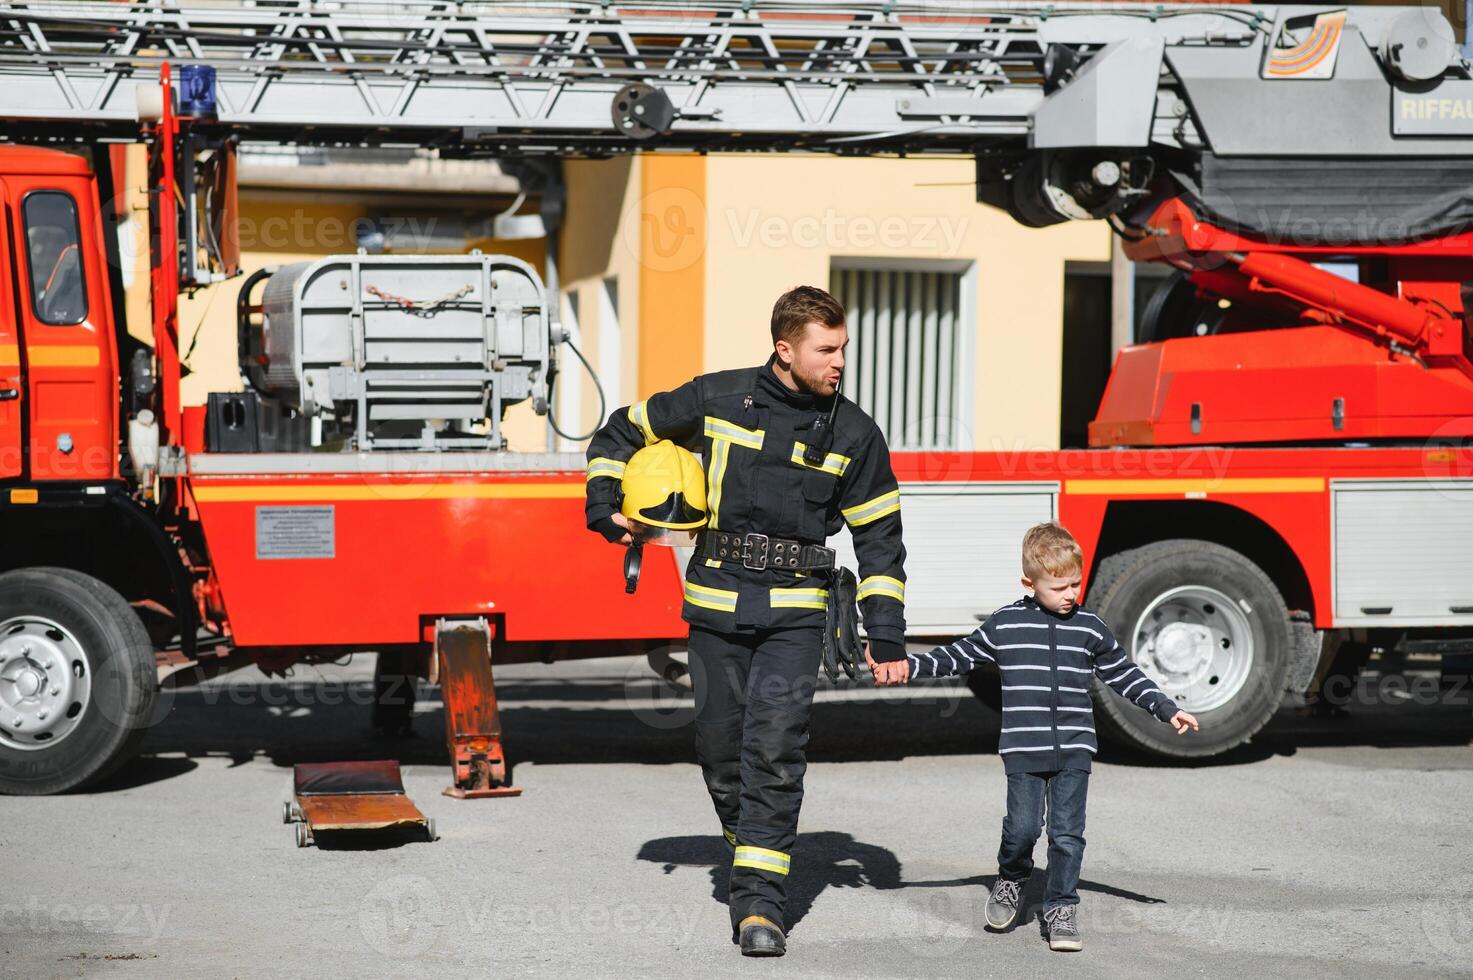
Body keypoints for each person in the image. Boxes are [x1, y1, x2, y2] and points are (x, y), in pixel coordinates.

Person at [584, 285, 909, 956]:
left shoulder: (854, 432)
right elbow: (621, 428)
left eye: (843, 348)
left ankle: (760, 906)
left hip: (795, 616)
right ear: (784, 349)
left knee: (774, 749)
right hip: (713, 608)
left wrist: (885, 634)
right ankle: (750, 846)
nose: (839, 362)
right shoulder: (716, 399)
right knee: (717, 749)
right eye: (826, 350)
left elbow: (881, 539)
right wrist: (603, 501)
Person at [879, 521, 1199, 952]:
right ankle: (1011, 878)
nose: (1070, 594)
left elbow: (1124, 673)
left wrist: (1166, 707)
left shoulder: (1090, 627)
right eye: (1059, 587)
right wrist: (907, 667)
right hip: (1023, 748)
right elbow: (958, 655)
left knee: (1067, 835)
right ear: (1029, 583)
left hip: (1075, 748)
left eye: (1075, 584)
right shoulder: (1006, 624)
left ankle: (1061, 906)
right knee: (1023, 830)